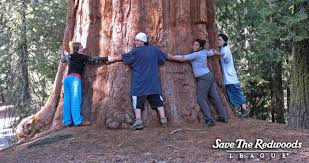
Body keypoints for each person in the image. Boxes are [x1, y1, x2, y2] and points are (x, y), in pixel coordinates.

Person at [108, 32, 168, 130]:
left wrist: (112, 59)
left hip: (140, 83)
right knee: (158, 100)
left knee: (138, 101)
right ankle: (163, 119)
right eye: (135, 40)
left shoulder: (135, 52)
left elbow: (123, 57)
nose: (135, 42)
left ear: (143, 42)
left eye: (138, 40)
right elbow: (164, 57)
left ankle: (139, 120)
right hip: (153, 83)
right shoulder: (154, 50)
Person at [167, 39, 228, 127]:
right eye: (193, 44)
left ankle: (209, 120)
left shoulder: (197, 54)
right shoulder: (204, 52)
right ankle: (223, 116)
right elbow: (212, 52)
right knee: (215, 97)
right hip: (208, 75)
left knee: (200, 98)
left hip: (203, 77)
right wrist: (220, 53)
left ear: (200, 47)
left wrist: (170, 57)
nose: (193, 46)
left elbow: (183, 58)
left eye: (196, 45)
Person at [61, 42, 110, 127]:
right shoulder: (82, 57)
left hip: (67, 79)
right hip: (75, 79)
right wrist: (106, 58)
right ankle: (77, 121)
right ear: (78, 49)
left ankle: (67, 121)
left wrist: (66, 55)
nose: (83, 48)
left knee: (67, 100)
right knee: (75, 100)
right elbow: (93, 59)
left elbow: (62, 60)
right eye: (81, 47)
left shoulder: (70, 56)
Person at [217, 33, 249, 118]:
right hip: (228, 79)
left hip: (231, 78)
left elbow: (226, 58)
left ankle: (245, 111)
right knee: (231, 95)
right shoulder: (222, 49)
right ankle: (240, 111)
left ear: (224, 41)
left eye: (220, 40)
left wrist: (217, 53)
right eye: (218, 40)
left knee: (237, 94)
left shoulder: (226, 49)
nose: (218, 41)